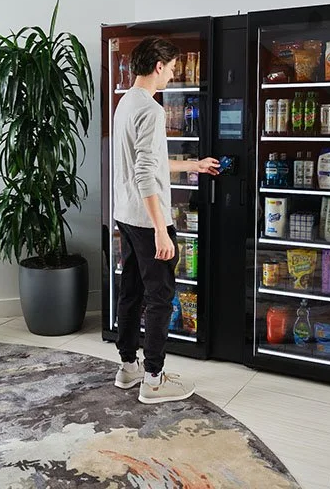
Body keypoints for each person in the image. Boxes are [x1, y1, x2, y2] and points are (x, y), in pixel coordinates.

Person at [112, 36, 219, 404]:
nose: (172, 76)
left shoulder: (126, 102)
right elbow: (145, 174)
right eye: (172, 69)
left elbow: (148, 163)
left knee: (131, 292)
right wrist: (161, 229)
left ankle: (129, 367)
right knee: (160, 298)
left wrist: (193, 165)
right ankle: (154, 380)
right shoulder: (152, 110)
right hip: (146, 219)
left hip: (125, 214)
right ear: (158, 66)